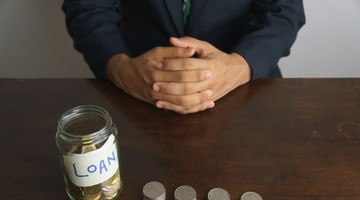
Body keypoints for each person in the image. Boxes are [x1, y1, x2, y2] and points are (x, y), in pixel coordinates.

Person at [62, 0, 305, 114]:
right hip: (137, 91)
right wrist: (122, 70)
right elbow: (87, 8)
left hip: (247, 91)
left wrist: (238, 68)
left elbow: (284, 10)